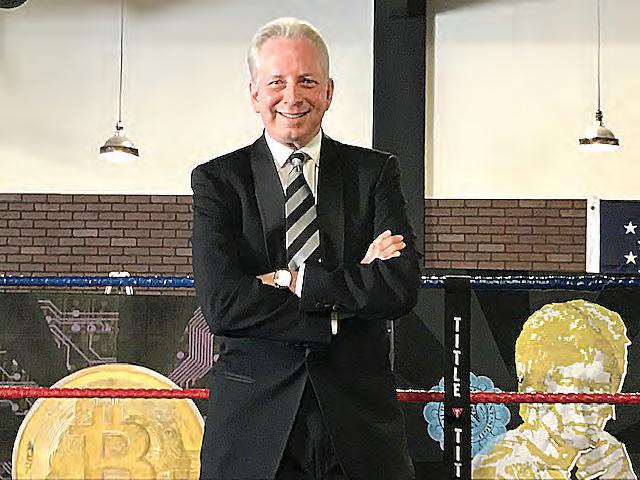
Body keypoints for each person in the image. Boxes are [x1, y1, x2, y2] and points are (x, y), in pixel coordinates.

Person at [191, 17, 420, 480]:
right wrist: (345, 297)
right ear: (254, 93)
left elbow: (398, 287)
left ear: (329, 92)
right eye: (277, 82)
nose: (292, 96)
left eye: (307, 81)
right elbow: (223, 305)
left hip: (360, 426)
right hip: (252, 427)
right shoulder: (218, 181)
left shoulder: (374, 173)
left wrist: (292, 281)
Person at [472, 300, 635, 480]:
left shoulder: (606, 460)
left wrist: (622, 476)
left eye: (601, 390)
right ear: (535, 391)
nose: (589, 404)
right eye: (573, 385)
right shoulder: (503, 467)